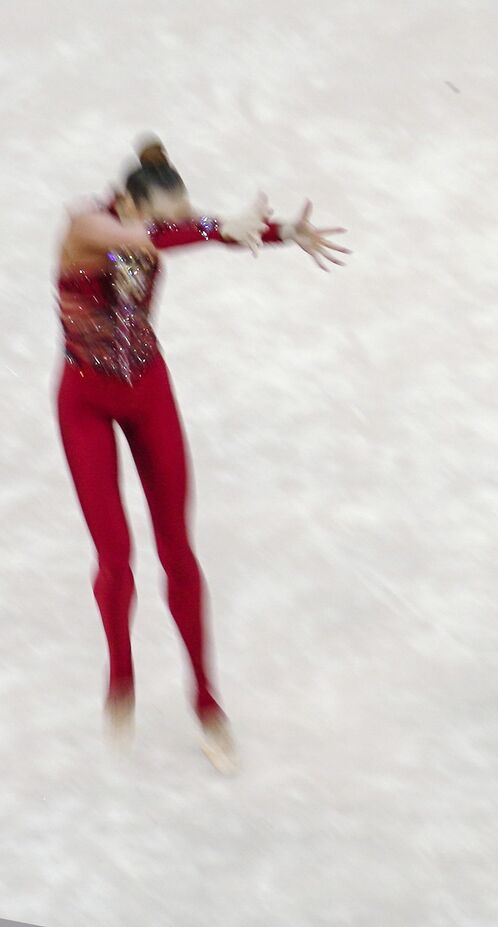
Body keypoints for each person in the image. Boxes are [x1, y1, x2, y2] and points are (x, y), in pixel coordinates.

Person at [55, 137, 349, 772]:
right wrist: (213, 225)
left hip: (148, 392)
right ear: (130, 201)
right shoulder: (85, 222)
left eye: (173, 220)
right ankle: (121, 675)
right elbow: (135, 240)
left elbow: (194, 234)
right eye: (159, 217)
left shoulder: (152, 224)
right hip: (86, 404)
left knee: (178, 552)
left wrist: (280, 231)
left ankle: (208, 702)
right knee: (116, 556)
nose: (168, 228)